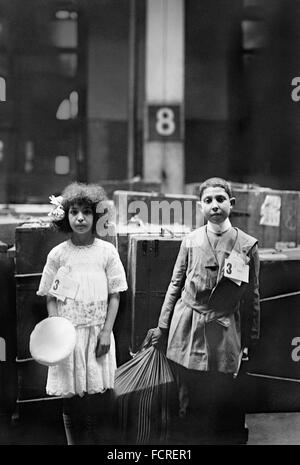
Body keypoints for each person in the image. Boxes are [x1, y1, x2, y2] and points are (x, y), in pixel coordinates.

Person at [150, 177, 260, 444]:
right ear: (201, 206)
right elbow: (175, 284)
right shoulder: (190, 241)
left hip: (224, 330)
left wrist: (250, 339)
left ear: (231, 204)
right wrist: (163, 326)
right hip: (188, 327)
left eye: (220, 199)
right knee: (188, 396)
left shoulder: (247, 245)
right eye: (208, 200)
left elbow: (252, 295)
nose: (214, 205)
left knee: (222, 398)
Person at [36, 182, 128, 445]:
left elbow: (115, 295)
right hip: (70, 337)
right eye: (74, 212)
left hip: (99, 334)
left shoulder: (107, 252)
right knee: (71, 400)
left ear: (96, 216)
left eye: (86, 212)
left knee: (96, 400)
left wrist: (107, 333)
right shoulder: (59, 255)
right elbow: (51, 298)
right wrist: (59, 333)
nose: (80, 218)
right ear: (65, 216)